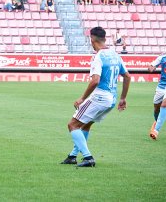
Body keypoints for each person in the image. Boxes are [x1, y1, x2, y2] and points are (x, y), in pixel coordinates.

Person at [60, 26, 131, 167]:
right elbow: (127, 76)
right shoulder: (115, 54)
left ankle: (88, 158)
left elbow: (95, 80)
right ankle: (73, 156)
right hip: (111, 99)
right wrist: (123, 98)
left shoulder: (98, 57)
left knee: (72, 125)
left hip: (100, 97)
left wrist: (82, 98)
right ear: (104, 39)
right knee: (86, 124)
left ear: (92, 39)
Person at [148, 54, 166, 140]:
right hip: (161, 86)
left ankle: (156, 130)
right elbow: (152, 66)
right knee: (156, 108)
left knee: (164, 104)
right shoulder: (162, 58)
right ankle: (157, 122)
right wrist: (151, 68)